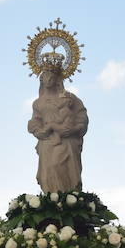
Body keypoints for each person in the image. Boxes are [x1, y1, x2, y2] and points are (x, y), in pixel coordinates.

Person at [27, 63, 88, 193]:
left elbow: (81, 117)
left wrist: (74, 129)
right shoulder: (38, 103)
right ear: (41, 79)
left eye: (51, 76)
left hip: (67, 140)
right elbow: (35, 121)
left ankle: (71, 199)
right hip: (47, 141)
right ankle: (52, 200)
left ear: (57, 79)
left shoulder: (70, 98)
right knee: (48, 172)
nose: (48, 79)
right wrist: (39, 130)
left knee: (60, 167)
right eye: (45, 76)